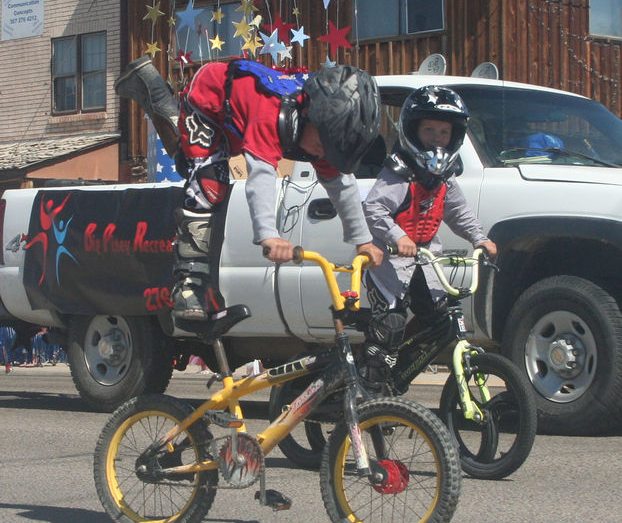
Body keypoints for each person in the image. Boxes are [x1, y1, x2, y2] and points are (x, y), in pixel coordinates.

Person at [114, 57, 383, 321]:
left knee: (186, 161)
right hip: (210, 99)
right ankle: (190, 284)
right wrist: (269, 235)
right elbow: (262, 176)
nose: (325, 152)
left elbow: (342, 184)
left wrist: (363, 241)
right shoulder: (272, 112)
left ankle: (153, 92)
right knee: (207, 184)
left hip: (238, 115)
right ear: (308, 113)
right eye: (325, 143)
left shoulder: (322, 132)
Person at [359, 85, 497, 395]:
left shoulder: (444, 177)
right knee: (390, 326)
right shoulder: (399, 172)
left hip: (426, 261)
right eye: (429, 129)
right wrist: (398, 236)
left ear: (455, 136)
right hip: (391, 264)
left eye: (444, 132)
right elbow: (374, 208)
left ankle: (397, 377)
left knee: (439, 322)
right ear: (412, 130)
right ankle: (368, 391)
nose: (437, 137)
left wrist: (480, 238)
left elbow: (459, 213)